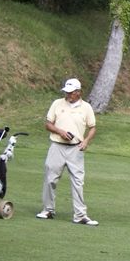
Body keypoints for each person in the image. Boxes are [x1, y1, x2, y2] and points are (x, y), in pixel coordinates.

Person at [37, 78, 99, 225]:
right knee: (50, 179)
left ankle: (80, 215)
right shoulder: (57, 103)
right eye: (67, 92)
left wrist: (85, 141)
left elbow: (92, 128)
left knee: (78, 182)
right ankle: (48, 210)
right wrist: (60, 132)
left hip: (76, 148)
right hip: (57, 146)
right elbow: (48, 124)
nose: (68, 95)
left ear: (78, 92)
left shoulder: (86, 107)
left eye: (71, 92)